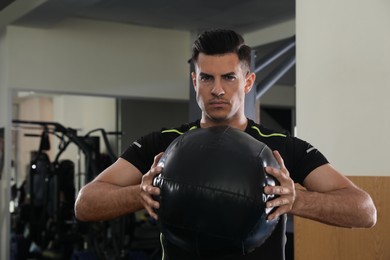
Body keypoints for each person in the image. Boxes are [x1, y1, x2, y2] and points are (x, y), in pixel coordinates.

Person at [74, 29, 377, 260]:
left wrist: (296, 200)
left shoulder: (283, 149)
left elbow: (364, 211)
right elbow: (85, 204)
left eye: (229, 77)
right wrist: (139, 194)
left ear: (248, 81)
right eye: (206, 78)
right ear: (195, 82)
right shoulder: (163, 144)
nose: (217, 89)